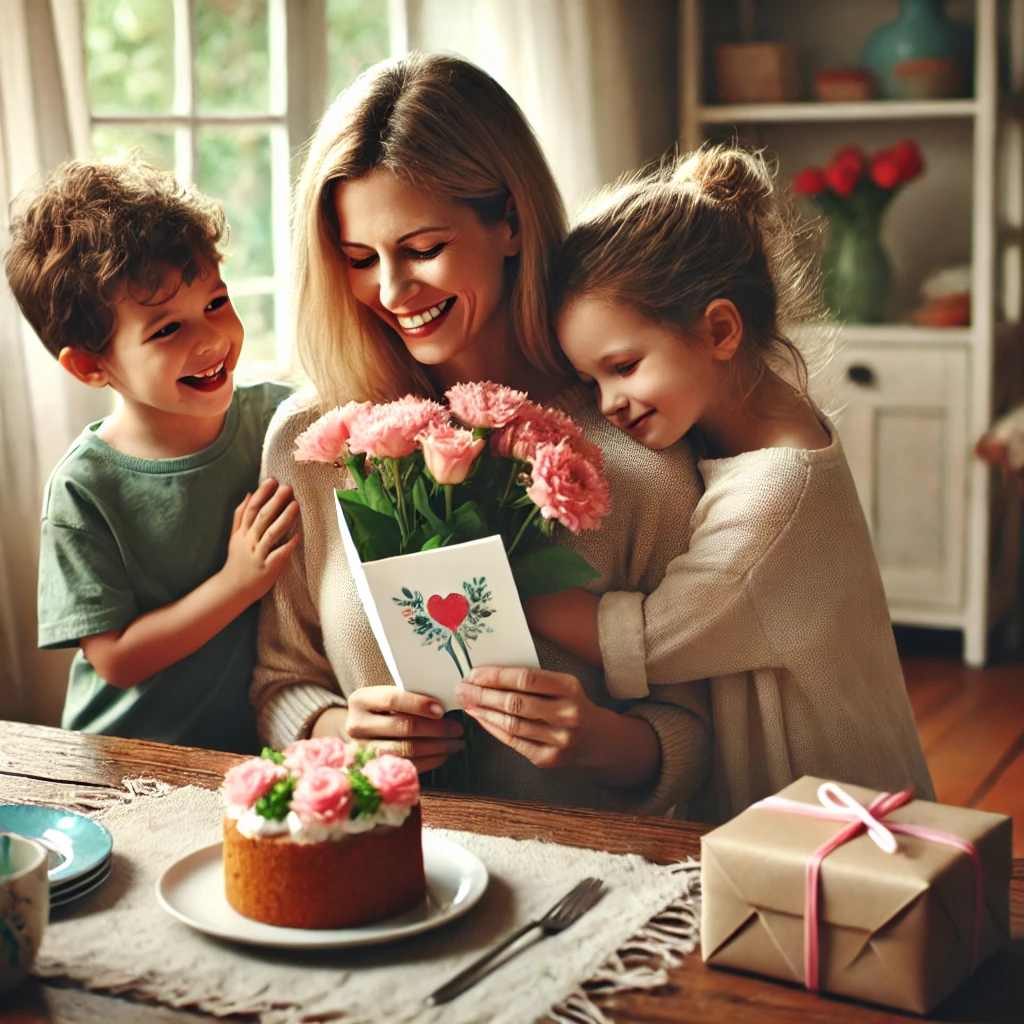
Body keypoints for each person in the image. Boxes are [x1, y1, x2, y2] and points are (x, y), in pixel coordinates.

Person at [251, 52, 710, 816]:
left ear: (511, 220)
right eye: (361, 259)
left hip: (581, 886)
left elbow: (699, 732)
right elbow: (279, 684)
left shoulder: (641, 452)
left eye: (423, 248)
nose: (393, 292)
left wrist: (601, 741)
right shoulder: (313, 441)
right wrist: (338, 729)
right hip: (376, 866)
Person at [526, 146, 935, 821]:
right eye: (591, 381)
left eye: (624, 366)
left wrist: (499, 582)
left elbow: (647, 638)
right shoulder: (761, 420)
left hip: (839, 817)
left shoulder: (778, 490)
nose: (608, 403)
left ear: (719, 329)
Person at [4, 156, 298, 753]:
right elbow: (114, 660)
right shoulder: (84, 488)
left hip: (247, 753)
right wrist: (237, 584)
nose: (213, 338)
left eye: (216, 302)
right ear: (91, 365)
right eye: (166, 331)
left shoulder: (278, 419)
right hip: (127, 761)